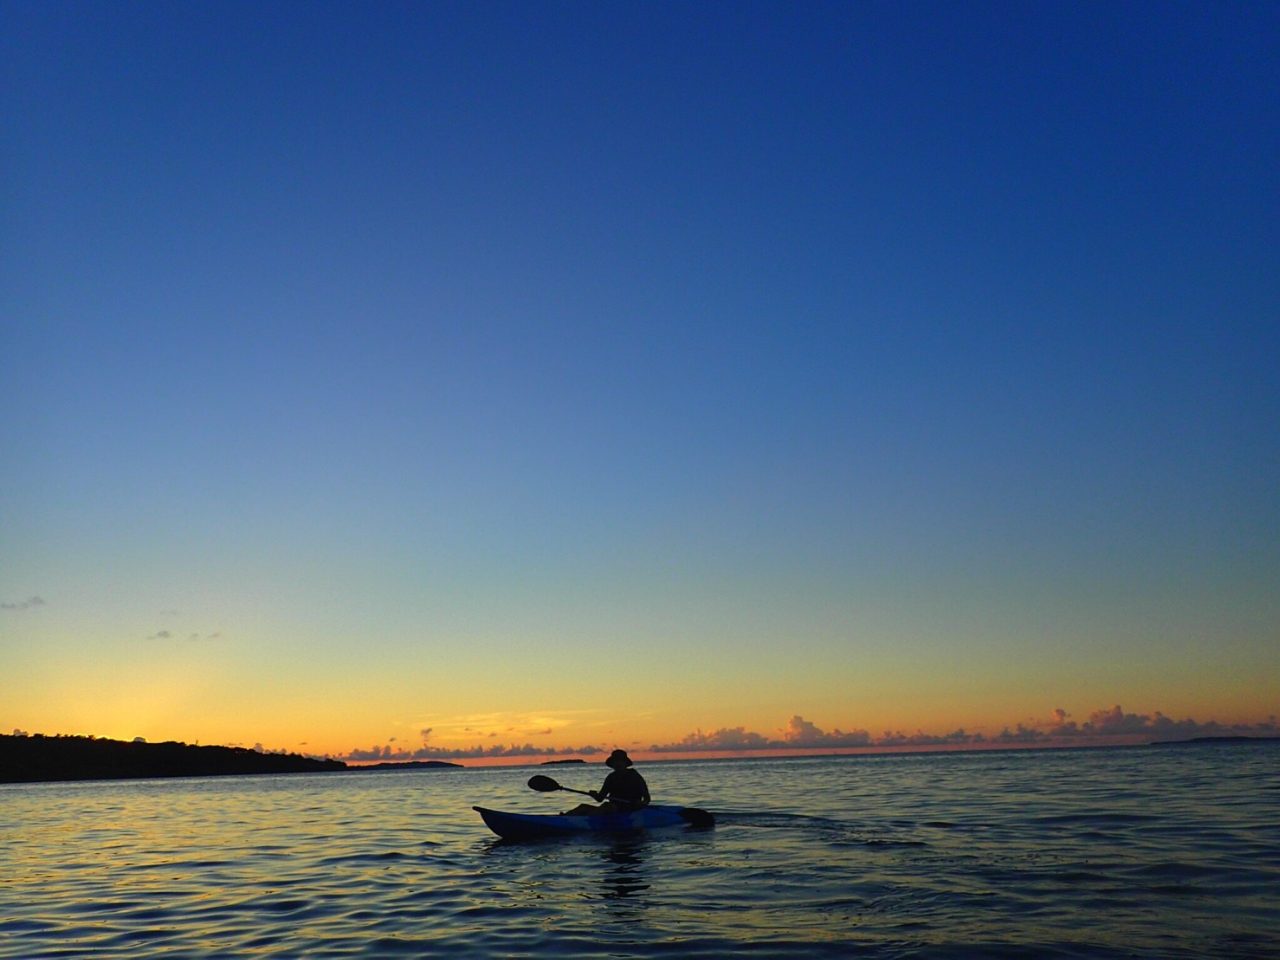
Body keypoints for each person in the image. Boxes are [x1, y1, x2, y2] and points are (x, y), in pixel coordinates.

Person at [564, 749, 650, 815]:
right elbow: (600, 798)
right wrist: (594, 795)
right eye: (615, 761)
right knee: (583, 807)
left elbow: (647, 798)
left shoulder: (635, 776)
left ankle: (587, 819)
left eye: (620, 761)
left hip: (629, 809)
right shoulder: (611, 777)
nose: (618, 763)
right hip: (612, 809)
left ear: (625, 763)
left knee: (607, 806)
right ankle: (564, 818)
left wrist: (642, 803)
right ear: (612, 764)